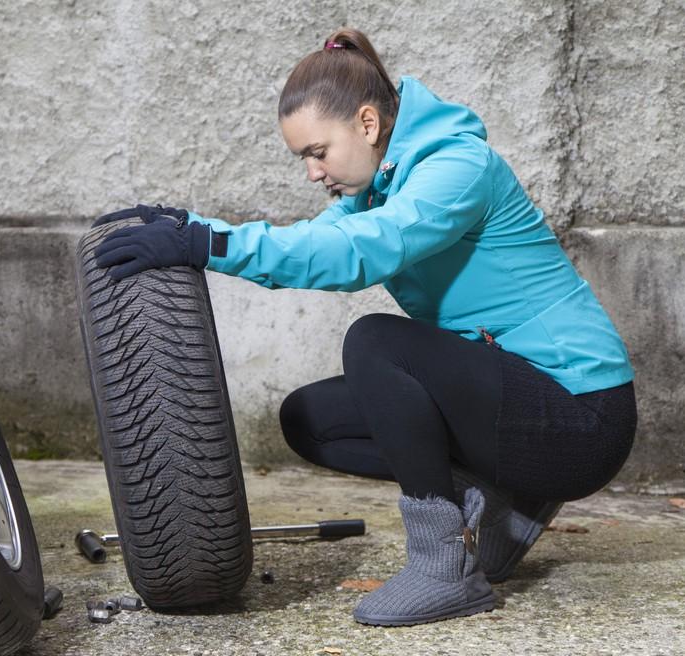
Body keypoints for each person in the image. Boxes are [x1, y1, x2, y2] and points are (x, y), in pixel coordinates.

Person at [92, 27, 636, 626]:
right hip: (511, 398)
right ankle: (510, 499)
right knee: (310, 421)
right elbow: (320, 237)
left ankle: (442, 567)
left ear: (369, 124)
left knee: (376, 341)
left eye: (316, 153)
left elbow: (365, 250)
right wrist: (184, 223)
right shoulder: (379, 189)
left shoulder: (458, 167)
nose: (312, 173)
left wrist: (205, 244)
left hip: (582, 416)